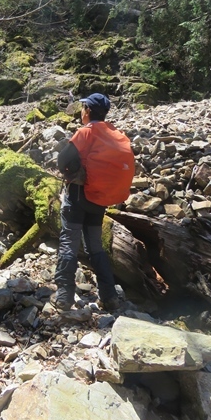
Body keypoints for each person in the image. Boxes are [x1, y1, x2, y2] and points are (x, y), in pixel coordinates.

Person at [52, 93, 135, 311]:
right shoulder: (114, 133)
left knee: (69, 243)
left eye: (83, 108)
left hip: (78, 196)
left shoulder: (86, 132)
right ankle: (109, 297)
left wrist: (70, 173)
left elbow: (63, 159)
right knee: (95, 247)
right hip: (99, 199)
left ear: (87, 111)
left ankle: (63, 297)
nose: (81, 112)